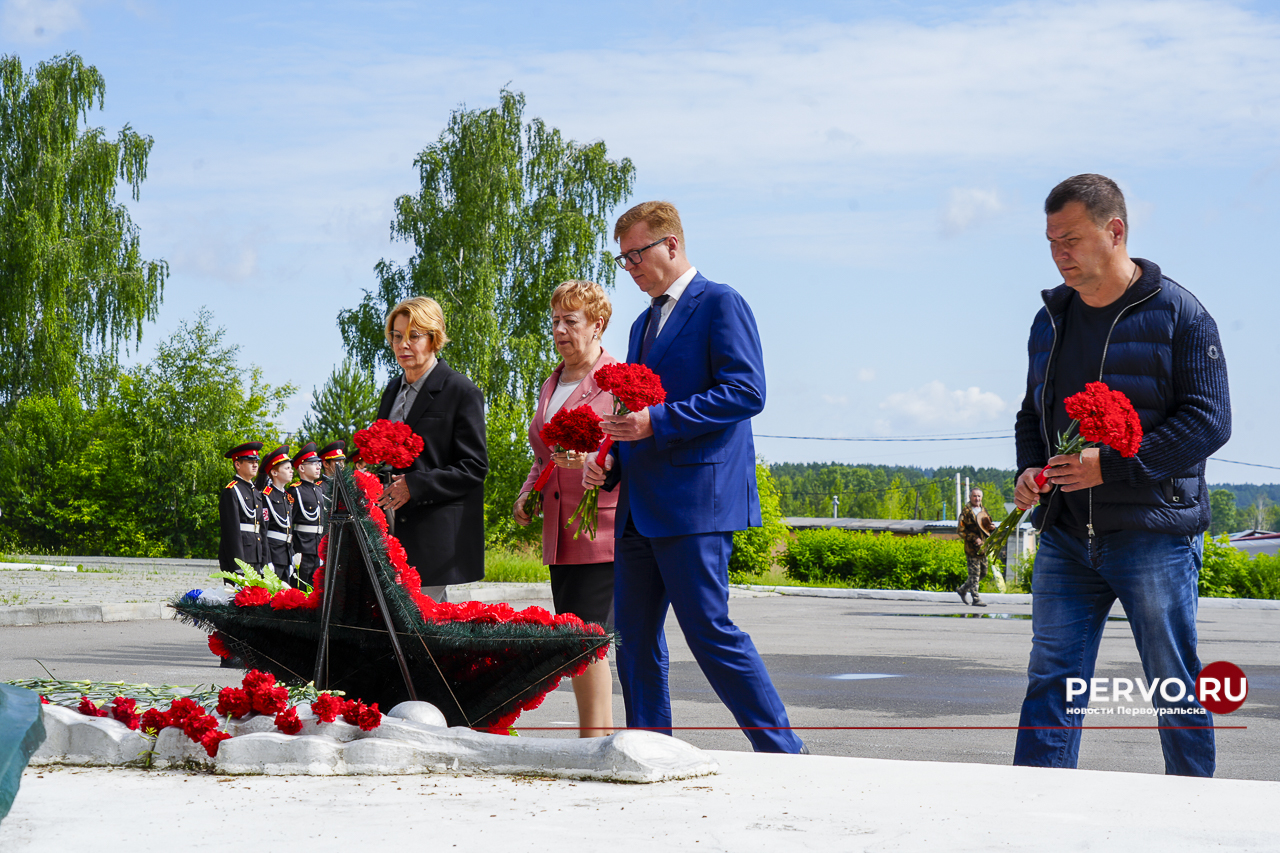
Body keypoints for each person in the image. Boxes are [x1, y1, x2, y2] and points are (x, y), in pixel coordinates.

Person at [1011, 174, 1230, 777]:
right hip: (1064, 535)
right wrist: (1031, 469)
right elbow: (1033, 412)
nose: (1060, 254)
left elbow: (1210, 422)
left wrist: (1110, 466)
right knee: (1050, 681)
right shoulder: (1049, 320)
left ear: (1116, 231)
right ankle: (1027, 815)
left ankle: (1195, 808)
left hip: (1153, 534)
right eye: (1052, 241)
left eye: (1072, 240)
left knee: (1173, 683)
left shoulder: (1181, 316)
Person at [583, 201, 805, 754]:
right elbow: (636, 410)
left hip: (695, 501)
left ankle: (785, 752)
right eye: (623, 258)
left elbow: (746, 391)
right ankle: (650, 747)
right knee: (632, 638)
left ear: (672, 245)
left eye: (637, 253)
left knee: (709, 631)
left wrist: (655, 422)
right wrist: (609, 455)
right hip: (638, 504)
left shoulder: (721, 302)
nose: (629, 266)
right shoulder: (640, 325)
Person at [513, 280, 619, 738]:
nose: (559, 330)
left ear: (597, 325)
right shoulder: (551, 382)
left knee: (588, 637)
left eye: (569, 321)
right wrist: (527, 492)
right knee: (575, 636)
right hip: (560, 529)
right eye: (555, 321)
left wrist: (602, 461)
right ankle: (593, 736)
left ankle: (595, 739)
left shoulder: (617, 379)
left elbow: (630, 447)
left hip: (602, 526)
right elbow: (542, 454)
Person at [374, 296, 487, 603]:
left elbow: (474, 467)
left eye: (413, 335)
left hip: (433, 541)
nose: (403, 345)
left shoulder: (461, 391)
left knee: (418, 630)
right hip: (389, 535)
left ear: (434, 338)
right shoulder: (391, 390)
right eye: (397, 336)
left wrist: (415, 484)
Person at [218, 442, 266, 578]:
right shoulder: (232, 490)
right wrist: (238, 565)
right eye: (250, 461)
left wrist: (264, 560)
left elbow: (261, 528)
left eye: (256, 461)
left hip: (255, 555)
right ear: (238, 464)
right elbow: (231, 531)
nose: (255, 465)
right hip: (241, 556)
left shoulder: (255, 492)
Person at [255, 444, 295, 584]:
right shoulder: (266, 496)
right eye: (287, 468)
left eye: (291, 468)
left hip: (285, 555)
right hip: (273, 554)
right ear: (275, 472)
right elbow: (263, 532)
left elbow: (289, 530)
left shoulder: (287, 497)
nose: (291, 471)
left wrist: (291, 559)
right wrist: (267, 561)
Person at [288, 442, 325, 588]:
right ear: (302, 468)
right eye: (313, 463)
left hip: (317, 548)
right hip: (301, 549)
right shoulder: (294, 491)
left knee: (315, 591)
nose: (318, 467)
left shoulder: (319, 490)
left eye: (319, 463)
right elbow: (289, 523)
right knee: (300, 589)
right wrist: (291, 552)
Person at [956, 488, 996, 607]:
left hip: (983, 548)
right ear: (970, 497)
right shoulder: (966, 513)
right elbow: (960, 530)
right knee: (974, 574)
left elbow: (986, 527)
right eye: (974, 496)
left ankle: (963, 590)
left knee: (983, 572)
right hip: (972, 549)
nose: (977, 498)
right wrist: (974, 538)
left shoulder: (983, 510)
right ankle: (976, 598)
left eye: (979, 496)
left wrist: (992, 528)